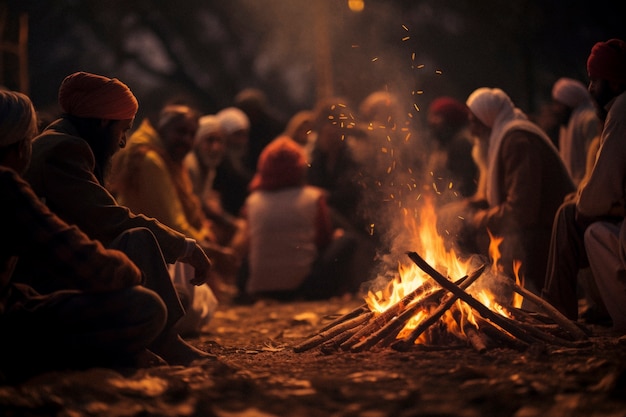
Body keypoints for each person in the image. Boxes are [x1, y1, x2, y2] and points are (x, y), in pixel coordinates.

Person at [16, 71, 215, 365]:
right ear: (103, 122)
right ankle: (165, 341)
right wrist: (186, 248)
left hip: (52, 271)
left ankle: (150, 340)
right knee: (139, 240)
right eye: (123, 129)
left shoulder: (64, 140)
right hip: (33, 289)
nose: (123, 142)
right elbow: (112, 221)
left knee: (155, 276)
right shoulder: (65, 149)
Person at [0, 89, 169, 382]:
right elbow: (81, 256)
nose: (124, 140)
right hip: (9, 325)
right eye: (122, 129)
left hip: (17, 300)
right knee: (146, 308)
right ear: (18, 146)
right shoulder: (8, 185)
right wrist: (135, 270)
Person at [438, 87, 575, 301]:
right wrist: (463, 209)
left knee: (471, 232)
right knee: (454, 219)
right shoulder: (502, 138)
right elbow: (494, 197)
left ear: (488, 119)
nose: (472, 131)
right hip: (532, 228)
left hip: (546, 235)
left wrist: (476, 219)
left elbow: (521, 212)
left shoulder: (518, 142)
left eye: (475, 122)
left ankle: (500, 300)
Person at [542, 39, 626, 331]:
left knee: (568, 214)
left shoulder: (621, 110)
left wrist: (583, 200)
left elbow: (604, 181)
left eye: (594, 81)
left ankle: (558, 313)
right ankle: (559, 307)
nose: (590, 89)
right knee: (575, 213)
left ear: (614, 83)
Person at [239, 136, 355, 301]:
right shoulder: (313, 197)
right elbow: (322, 241)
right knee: (348, 240)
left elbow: (248, 246)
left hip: (260, 287)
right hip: (303, 286)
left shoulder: (252, 201)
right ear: (299, 168)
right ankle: (341, 292)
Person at [184, 114, 246, 249]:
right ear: (197, 141)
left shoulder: (209, 168)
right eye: (210, 140)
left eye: (220, 141)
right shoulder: (190, 166)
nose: (215, 147)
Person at [425, 96, 482, 203]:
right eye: (431, 115)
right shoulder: (441, 143)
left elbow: (462, 184)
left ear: (450, 119)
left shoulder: (461, 144)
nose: (432, 121)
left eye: (437, 116)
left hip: (457, 207)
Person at [551, 77, 601, 187]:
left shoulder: (589, 120)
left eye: (558, 104)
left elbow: (594, 164)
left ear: (569, 102)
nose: (555, 109)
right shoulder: (567, 124)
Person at [213, 106, 253, 218]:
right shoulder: (215, 163)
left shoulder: (242, 158)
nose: (242, 141)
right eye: (237, 134)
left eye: (244, 135)